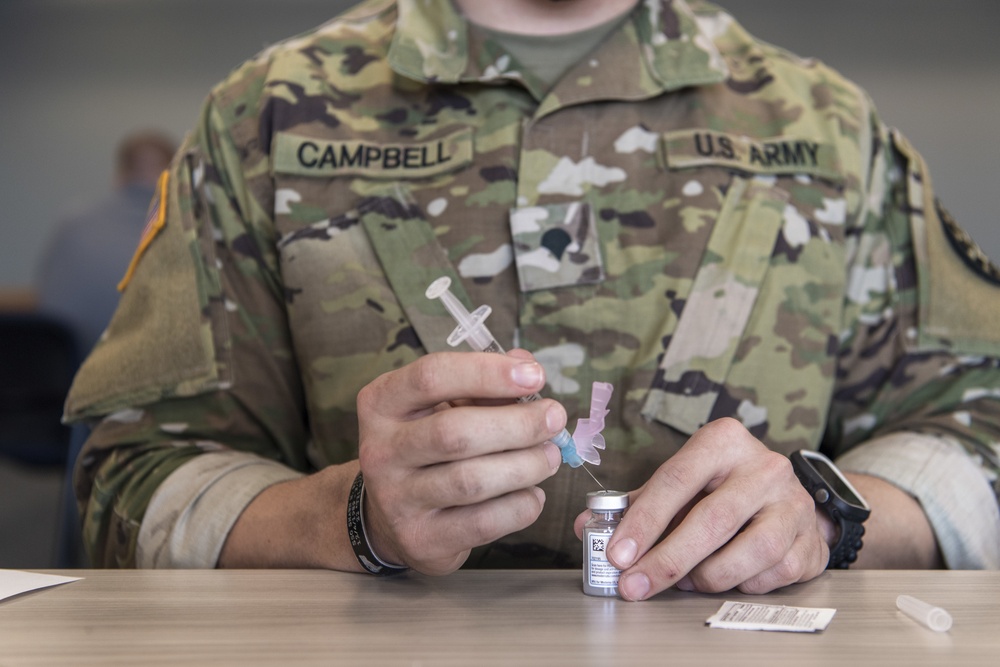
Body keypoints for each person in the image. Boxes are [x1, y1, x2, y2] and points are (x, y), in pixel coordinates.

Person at [65, 0, 999, 599]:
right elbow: (127, 480)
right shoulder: (270, 115)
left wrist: (828, 512)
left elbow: (979, 430)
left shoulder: (824, 127)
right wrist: (346, 516)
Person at [35, 130, 177, 355]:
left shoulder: (72, 224)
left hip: (69, 377)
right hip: (153, 376)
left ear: (119, 176)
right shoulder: (189, 227)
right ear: (176, 177)